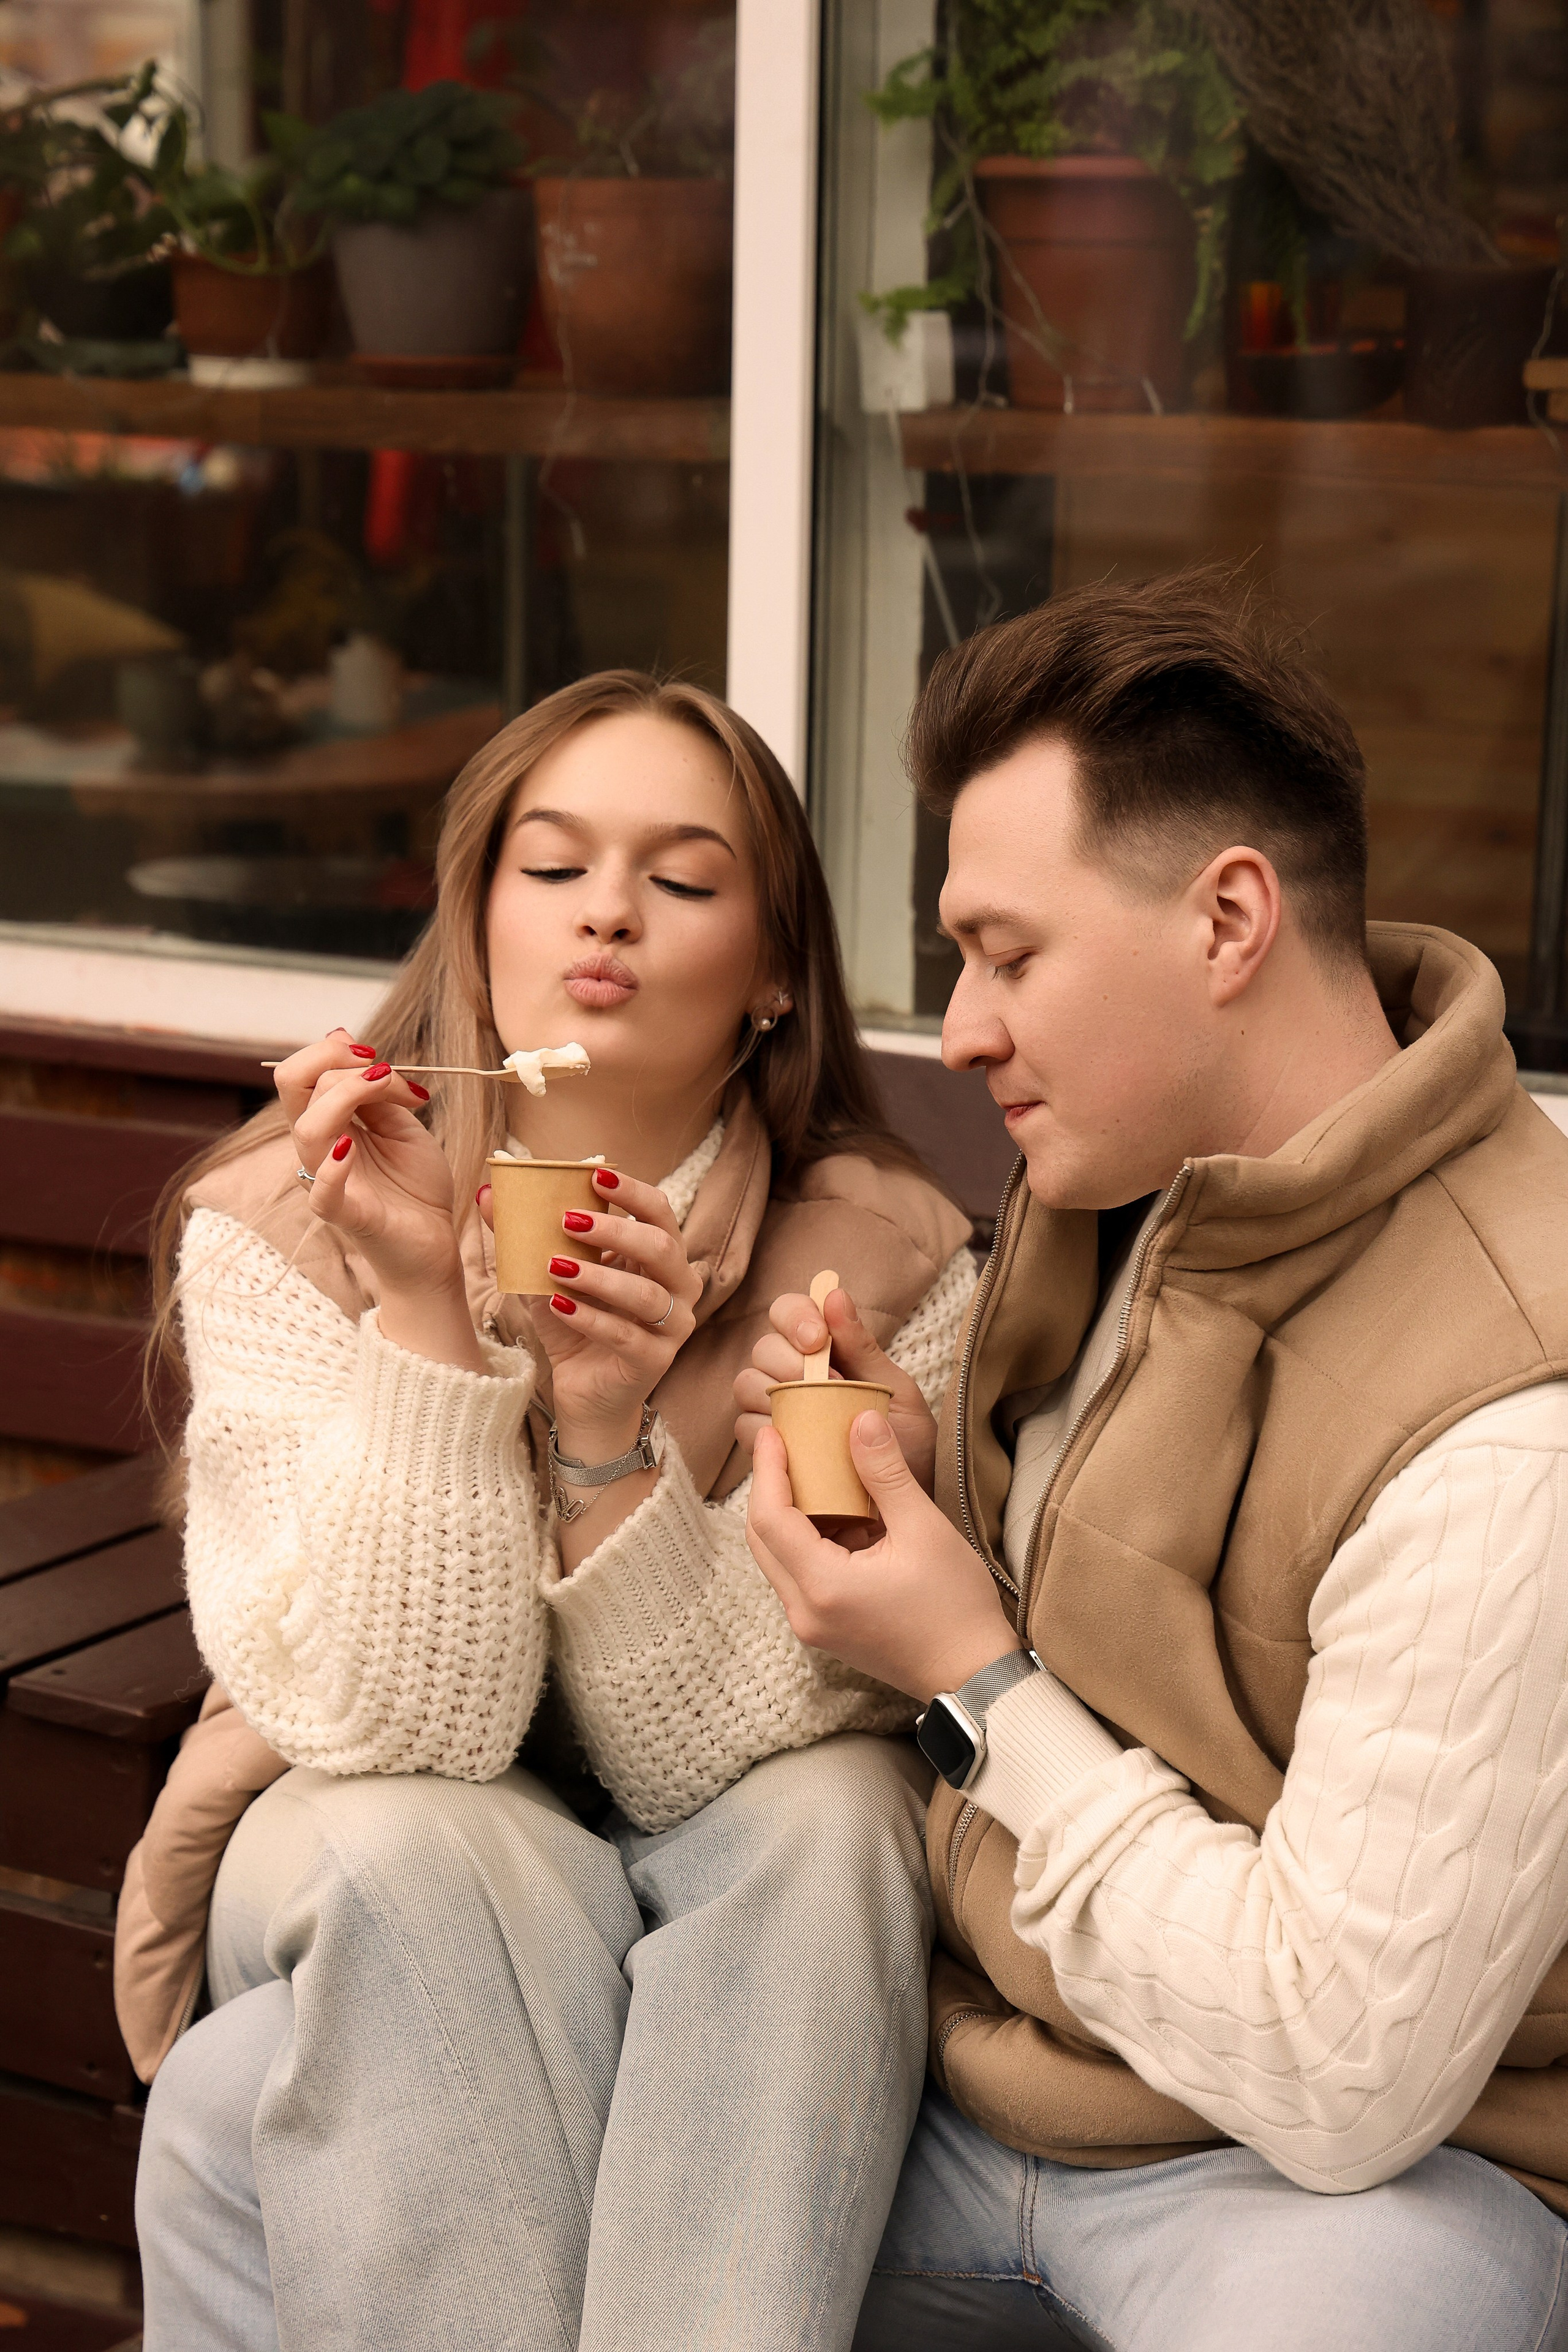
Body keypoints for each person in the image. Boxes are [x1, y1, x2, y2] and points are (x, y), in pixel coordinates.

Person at [741, 573, 1568, 2352]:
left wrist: (967, 1670)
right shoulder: (1116, 1189)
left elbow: (1343, 2077)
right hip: (982, 2064)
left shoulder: (1516, 1413)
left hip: (1354, 2180)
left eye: (1010, 954)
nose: (961, 1030)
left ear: (1229, 921)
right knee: (253, 2102)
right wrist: (912, 1502)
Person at [126, 671, 976, 2352]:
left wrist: (601, 1439)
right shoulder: (287, 1223)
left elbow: (743, 1740)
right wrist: (424, 1321)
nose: (608, 912)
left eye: (684, 878)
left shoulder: (875, 1265)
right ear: (475, 919)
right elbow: (405, 1732)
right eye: (555, 865)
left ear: (776, 974)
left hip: (716, 1806)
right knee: (427, 1846)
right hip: (349, 1811)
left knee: (837, 1821)